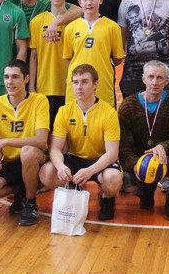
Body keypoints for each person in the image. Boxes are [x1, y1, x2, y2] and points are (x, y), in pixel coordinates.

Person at [40, 64, 123, 221]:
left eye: (84, 82)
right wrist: (61, 167)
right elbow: (55, 148)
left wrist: (90, 170)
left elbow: (112, 153)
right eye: (75, 82)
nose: (79, 86)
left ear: (95, 84)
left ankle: (107, 197)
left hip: (100, 160)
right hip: (75, 158)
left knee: (113, 178)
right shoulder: (64, 111)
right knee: (47, 172)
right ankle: (72, 187)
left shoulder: (108, 112)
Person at [0, 59, 50, 226]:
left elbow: (41, 140)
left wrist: (7, 141)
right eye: (6, 77)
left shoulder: (40, 100)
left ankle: (30, 202)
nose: (10, 82)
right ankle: (22, 189)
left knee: (27, 152)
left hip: (34, 158)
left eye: (15, 77)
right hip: (10, 161)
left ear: (26, 79)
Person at [118, 61, 169, 220]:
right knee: (126, 181)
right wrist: (136, 165)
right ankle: (145, 194)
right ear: (143, 78)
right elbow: (123, 147)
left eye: (160, 78)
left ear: (166, 81)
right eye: (151, 77)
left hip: (165, 157)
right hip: (140, 159)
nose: (154, 82)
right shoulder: (128, 105)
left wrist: (163, 146)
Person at [63, 0, 124, 108]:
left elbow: (118, 58)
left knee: (104, 117)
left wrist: (101, 63)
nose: (89, 2)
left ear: (100, 0)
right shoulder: (70, 28)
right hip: (77, 86)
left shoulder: (112, 27)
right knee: (75, 118)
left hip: (103, 84)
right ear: (79, 2)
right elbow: (68, 58)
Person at [29, 0, 73, 127]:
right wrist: (31, 85)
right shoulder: (36, 21)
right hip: (44, 85)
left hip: (68, 85)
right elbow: (33, 56)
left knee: (65, 129)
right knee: (45, 128)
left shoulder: (74, 21)